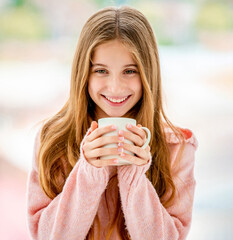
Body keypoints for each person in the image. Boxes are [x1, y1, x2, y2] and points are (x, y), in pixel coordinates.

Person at [26, 5, 198, 240]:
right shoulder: (52, 140)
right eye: (101, 71)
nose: (115, 87)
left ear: (149, 74)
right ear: (83, 74)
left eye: (130, 71)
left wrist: (134, 177)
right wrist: (88, 172)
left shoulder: (177, 147)